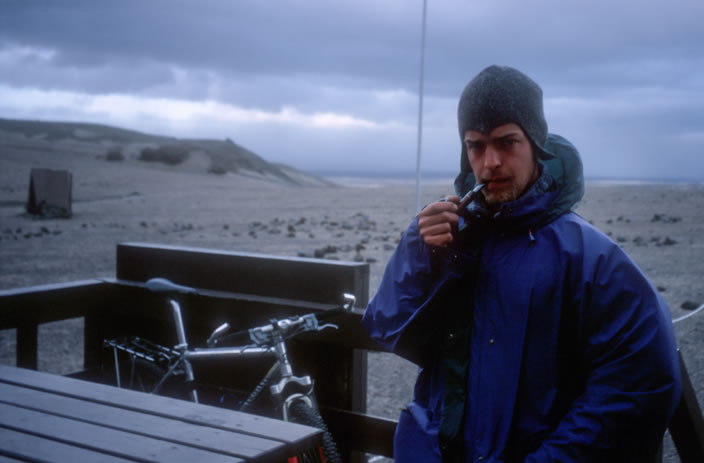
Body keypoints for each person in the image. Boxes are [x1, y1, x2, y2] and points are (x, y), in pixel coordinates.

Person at [361, 65, 681, 462]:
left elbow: (638, 385)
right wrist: (419, 251)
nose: (490, 161)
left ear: (536, 144)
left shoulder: (591, 259)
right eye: (476, 146)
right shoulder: (448, 236)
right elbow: (386, 327)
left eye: (507, 142)